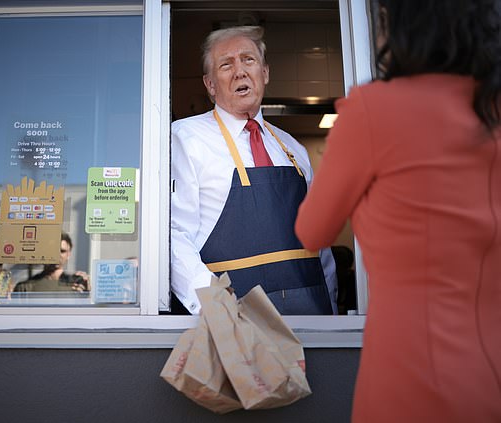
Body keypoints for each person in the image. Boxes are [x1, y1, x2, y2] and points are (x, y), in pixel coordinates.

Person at [295, 1, 501, 422]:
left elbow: (312, 230)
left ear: (402, 28)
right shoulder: (492, 109)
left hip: (414, 379)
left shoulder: (375, 110)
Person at [170, 25, 338, 315]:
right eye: (226, 64)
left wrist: (333, 314)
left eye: (248, 60)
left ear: (265, 73)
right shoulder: (185, 139)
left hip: (310, 325)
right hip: (233, 327)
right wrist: (218, 309)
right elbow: (174, 236)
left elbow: (320, 246)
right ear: (210, 85)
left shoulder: (293, 149)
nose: (240, 72)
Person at [13, 232, 90, 293]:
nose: (57, 255)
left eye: (62, 251)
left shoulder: (76, 285)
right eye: (52, 250)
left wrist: (87, 293)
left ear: (68, 254)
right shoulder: (25, 287)